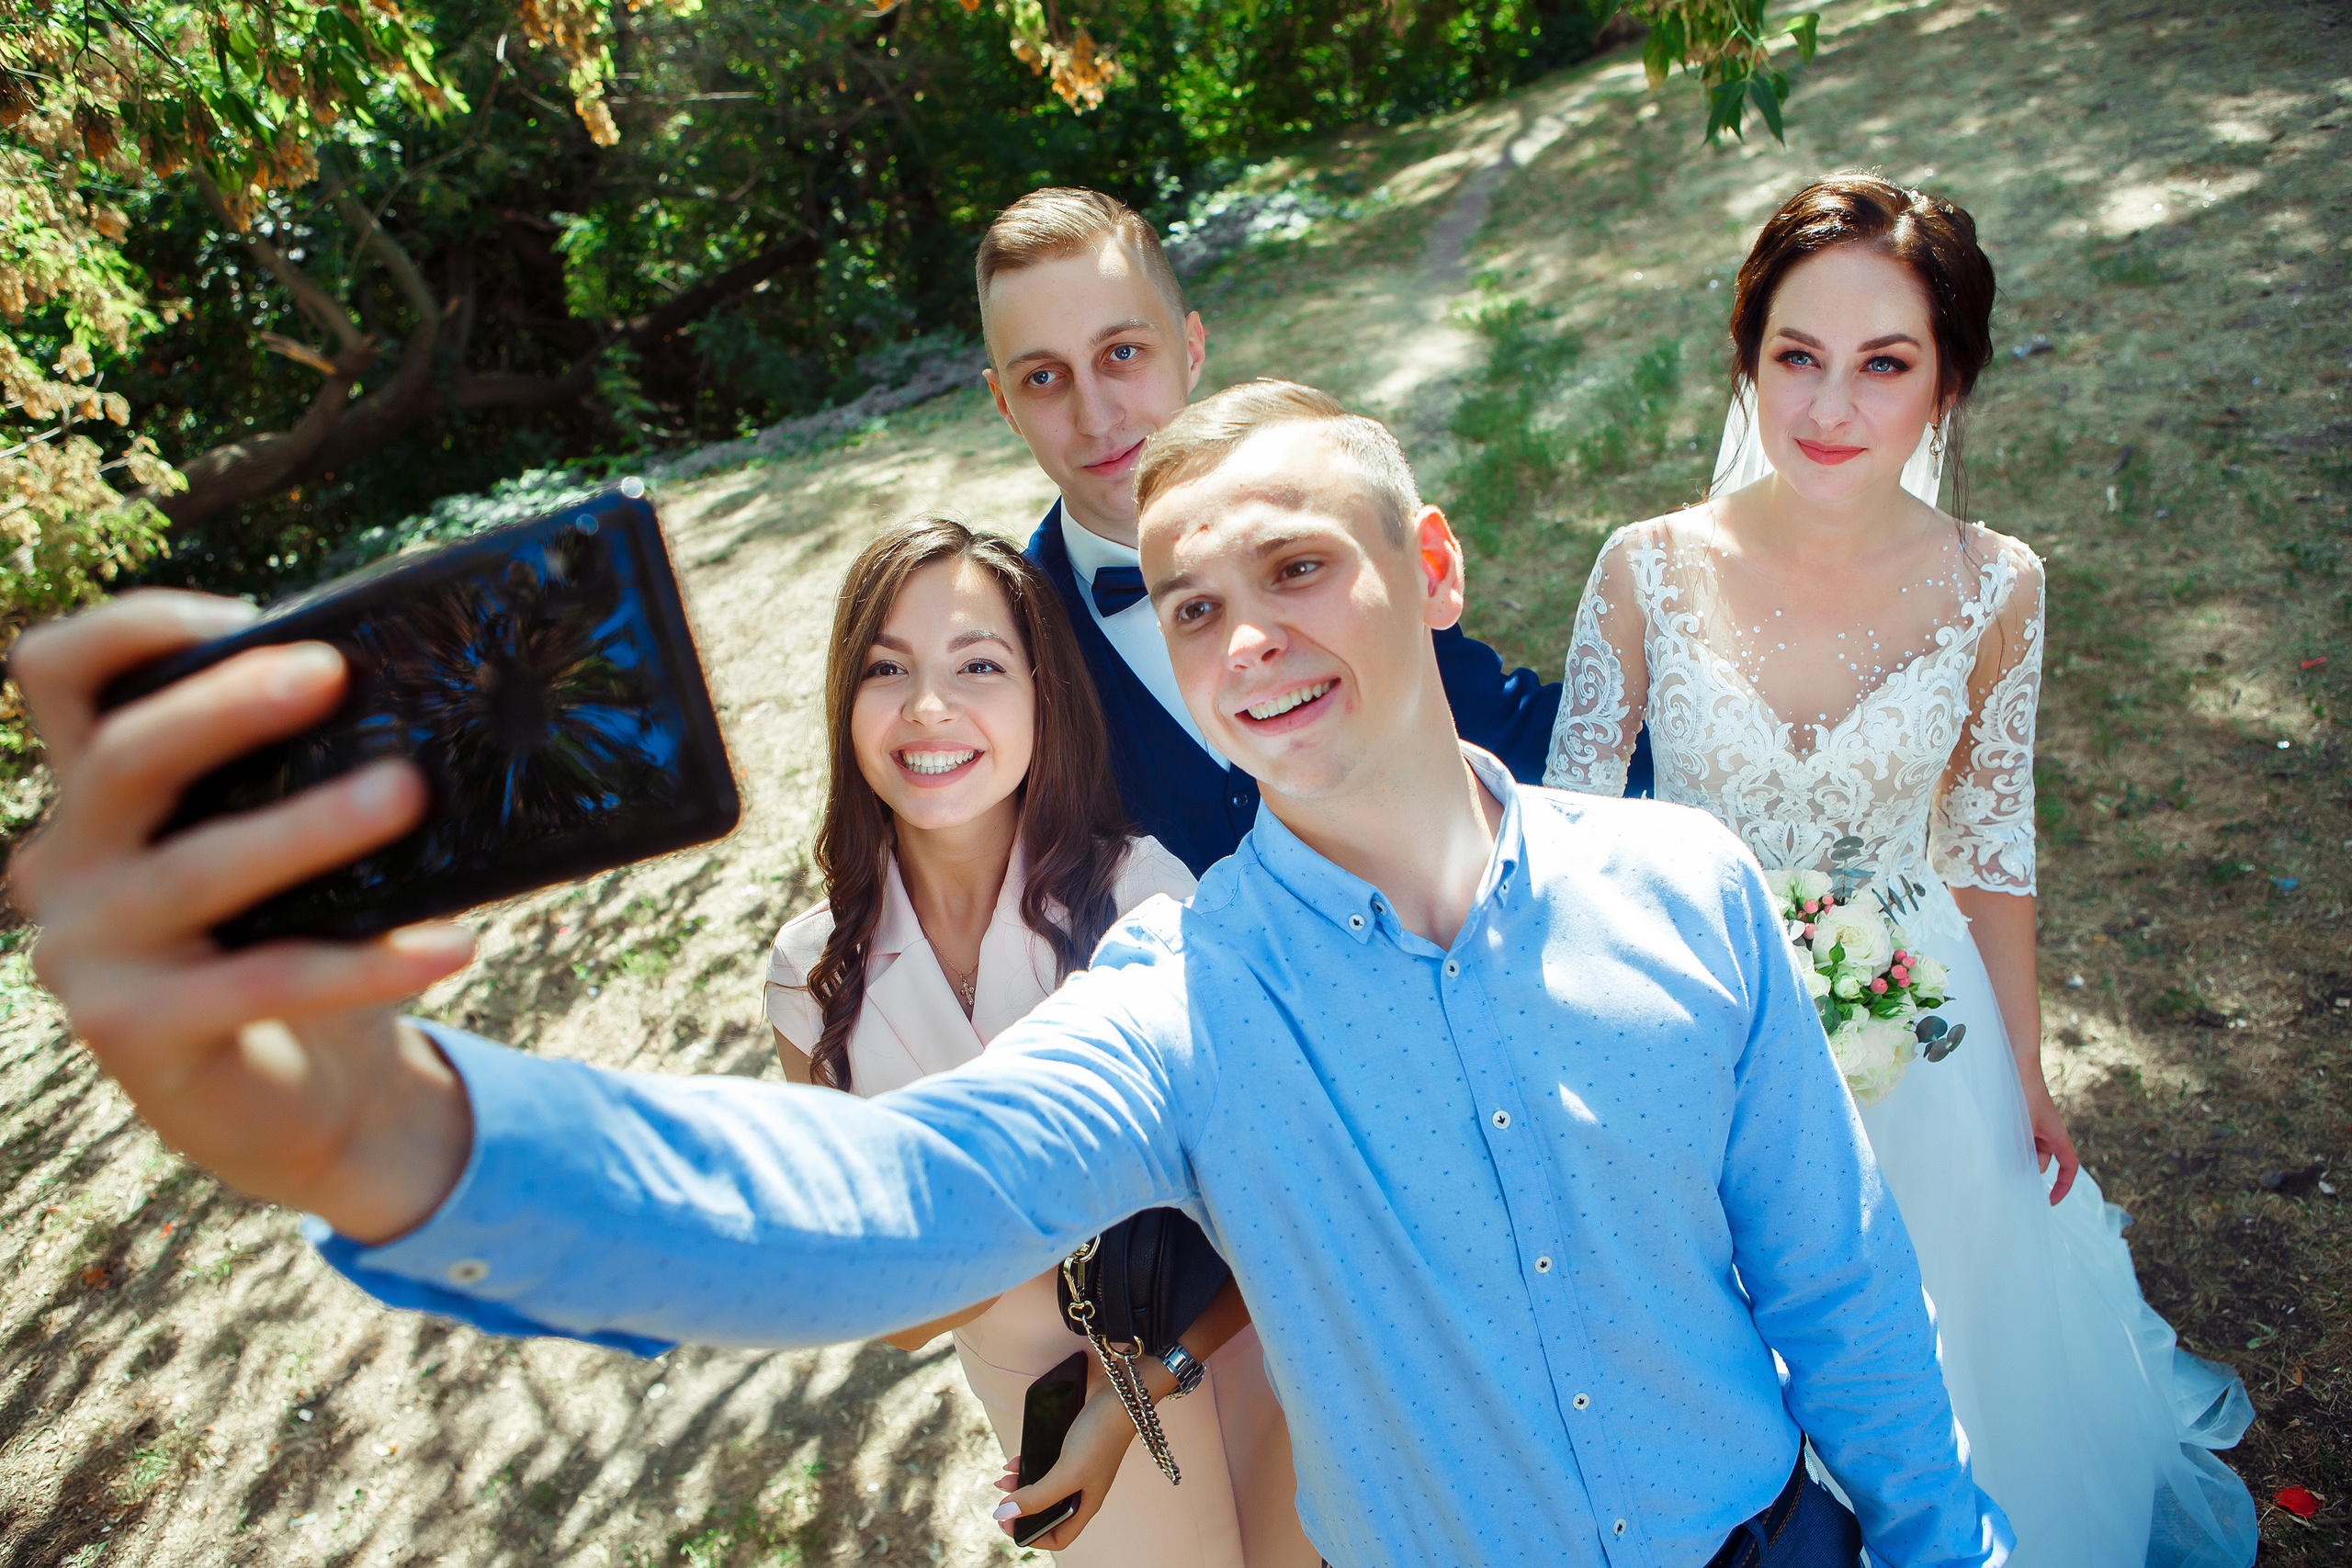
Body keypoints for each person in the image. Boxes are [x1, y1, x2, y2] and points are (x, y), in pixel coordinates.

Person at [12, 379, 2013, 1568]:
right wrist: (383, 1124)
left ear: (1426, 567)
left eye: (1296, 568)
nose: (1243, 638)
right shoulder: (1180, 994)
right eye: (1193, 602)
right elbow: (887, 1203)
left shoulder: (1687, 884)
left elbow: (1839, 1285)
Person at [1541, 174, 2256, 1568]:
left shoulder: (2000, 585)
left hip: (1913, 1020)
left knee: (1939, 1323)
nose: (1828, 408)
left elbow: (1992, 851)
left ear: (1947, 386)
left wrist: (2028, 1076)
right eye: (1797, 356)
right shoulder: (1644, 567)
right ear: (1747, 357)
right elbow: (1568, 837)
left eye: (1885, 365)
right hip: (1711, 1006)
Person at [763, 515, 1315, 1565]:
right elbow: (885, 1310)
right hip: (1051, 1429)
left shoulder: (1143, 897)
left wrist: (1139, 1385)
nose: (931, 708)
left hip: (1243, 1367)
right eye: (888, 669)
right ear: (846, 701)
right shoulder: (809, 977)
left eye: (978, 664)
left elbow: (1275, 1197)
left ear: (1038, 694)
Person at [976, 187, 1637, 876]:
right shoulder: (1007, 645)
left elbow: (1501, 734)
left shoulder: (1327, 529)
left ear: (1191, 345)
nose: (1094, 413)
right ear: (1005, 405)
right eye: (1044, 376)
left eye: (1122, 353)